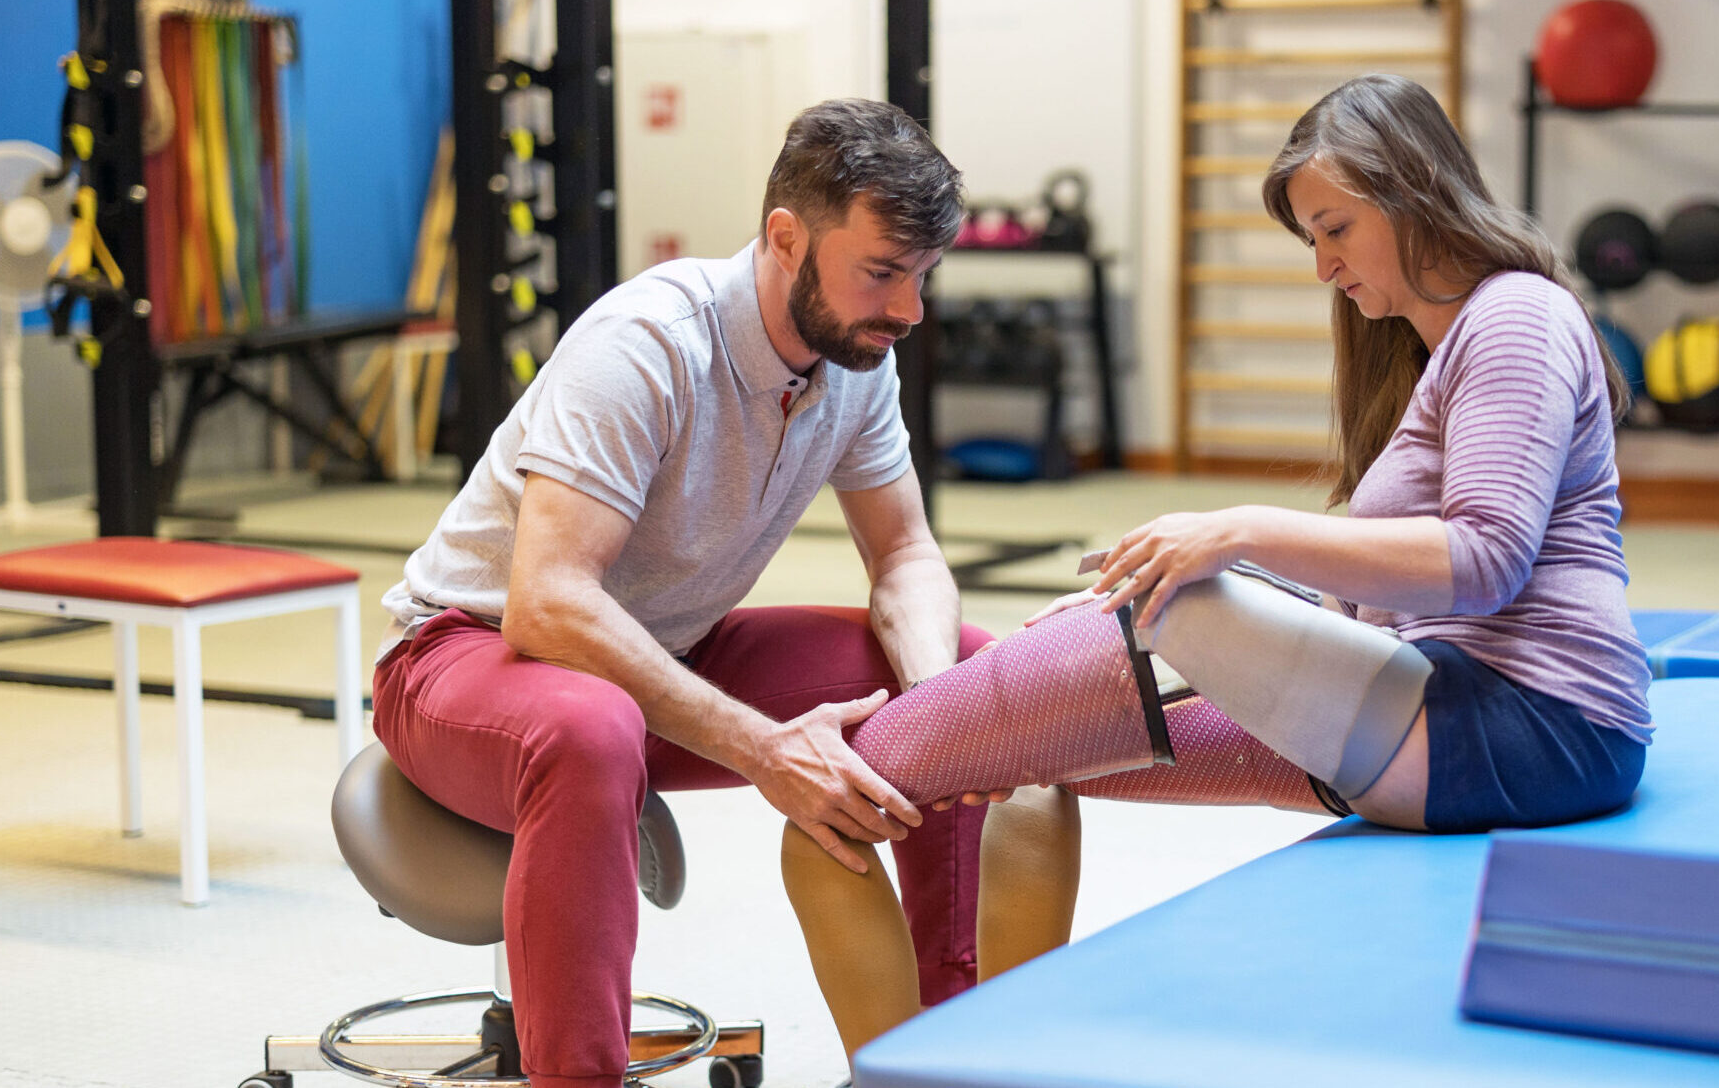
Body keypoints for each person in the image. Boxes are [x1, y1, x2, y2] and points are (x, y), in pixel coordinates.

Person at [782, 71, 1654, 1052]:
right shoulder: (1445, 341)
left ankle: (903, 1053)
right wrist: (1103, 623)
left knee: (1170, 602)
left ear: (1410, 191)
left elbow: (1484, 560)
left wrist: (1232, 531)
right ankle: (992, 1065)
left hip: (1526, 731)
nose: (1323, 265)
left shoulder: (1516, 318)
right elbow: (1368, 587)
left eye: (1334, 228)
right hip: (1431, 718)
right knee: (1039, 764)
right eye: (1309, 239)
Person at [371, 98, 1001, 1088]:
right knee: (587, 729)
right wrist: (764, 750)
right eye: (882, 272)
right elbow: (547, 604)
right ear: (787, 239)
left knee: (964, 674)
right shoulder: (649, 343)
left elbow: (908, 557)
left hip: (664, 650)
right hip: (466, 657)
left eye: (921, 278)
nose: (908, 311)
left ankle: (940, 1052)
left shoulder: (856, 357)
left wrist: (935, 701)